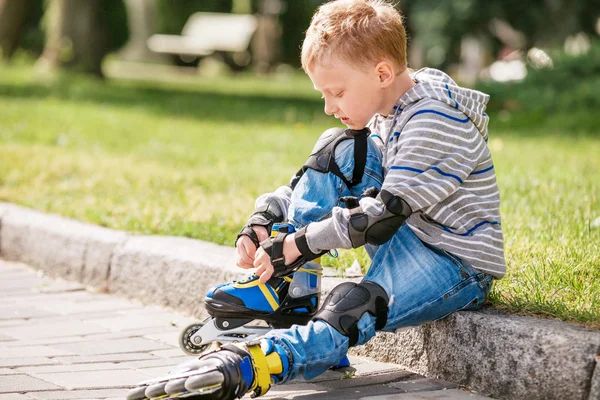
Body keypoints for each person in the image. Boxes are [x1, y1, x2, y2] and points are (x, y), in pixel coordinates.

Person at [132, 1, 506, 399]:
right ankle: (287, 292)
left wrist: (298, 243)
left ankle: (261, 363)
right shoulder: (388, 107)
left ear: (382, 73)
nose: (330, 106)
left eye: (337, 92)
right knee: (340, 147)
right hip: (408, 233)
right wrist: (269, 216)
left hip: (453, 262)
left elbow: (380, 217)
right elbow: (322, 183)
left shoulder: (435, 120)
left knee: (353, 305)